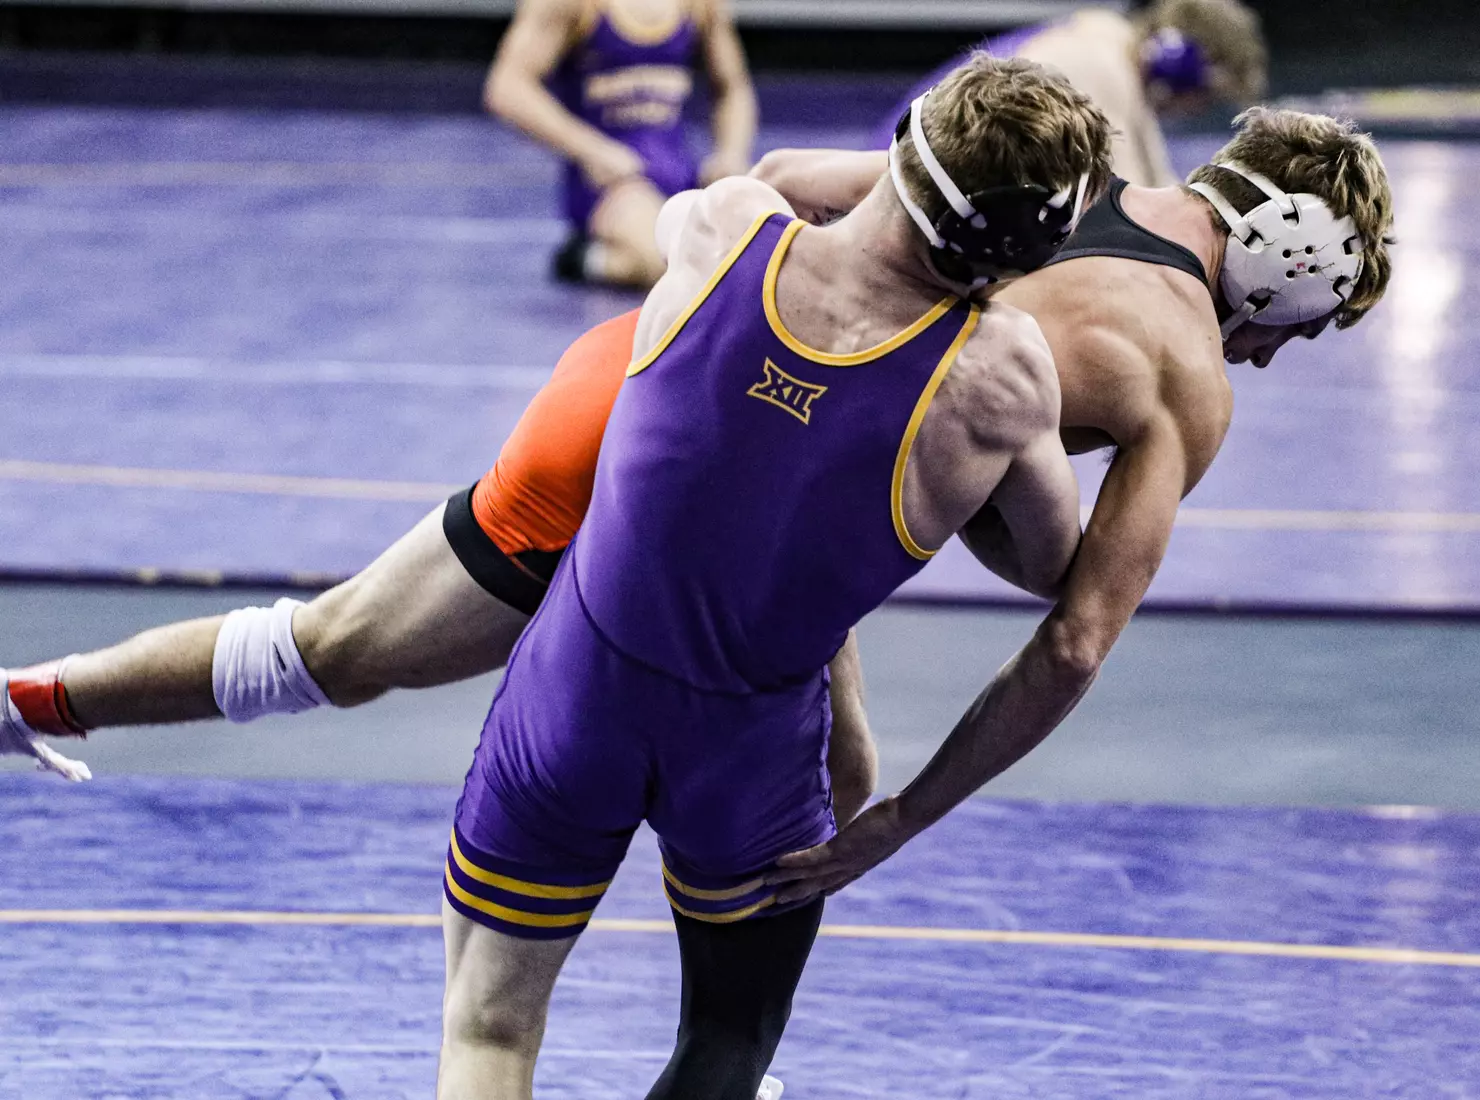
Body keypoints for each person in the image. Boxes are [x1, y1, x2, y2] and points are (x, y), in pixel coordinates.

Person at [2, 106, 1395, 839]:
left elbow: (785, 175)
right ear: (1290, 269)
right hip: (712, 469)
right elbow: (1076, 638)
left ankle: (28, 700)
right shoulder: (1188, 381)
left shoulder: (1057, 175)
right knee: (765, 788)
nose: (1277, 361)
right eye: (1306, 329)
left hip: (652, 379)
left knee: (341, 647)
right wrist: (909, 812)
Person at [438, 54, 1113, 1100]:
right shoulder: (1003, 378)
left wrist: (909, 178)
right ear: (1028, 247)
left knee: (488, 1025)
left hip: (576, 693)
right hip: (748, 748)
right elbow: (1044, 561)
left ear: (901, 157)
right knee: (728, 1038)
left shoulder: (724, 230)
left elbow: (789, 170)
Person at [485, 0, 757, 287]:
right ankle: (603, 257)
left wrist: (731, 154)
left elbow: (732, 86)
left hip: (682, 176)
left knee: (750, 263)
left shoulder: (700, 6)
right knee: (672, 267)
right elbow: (507, 87)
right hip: (612, 184)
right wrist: (592, 150)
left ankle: (593, 261)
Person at [872, 0, 1267, 187]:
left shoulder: (1113, 48)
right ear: (1179, 64)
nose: (1198, 109)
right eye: (1206, 95)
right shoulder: (1099, 64)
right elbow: (1128, 203)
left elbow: (1158, 181)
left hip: (918, 163)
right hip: (906, 176)